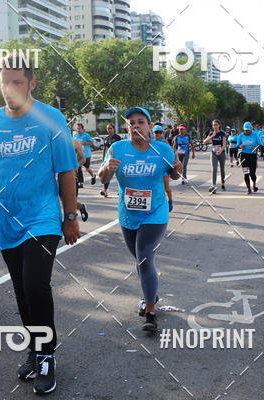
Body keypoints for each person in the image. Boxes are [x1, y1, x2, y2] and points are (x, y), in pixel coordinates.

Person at [0, 53, 79, 394]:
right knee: (20, 291)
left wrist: (70, 216)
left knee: (35, 285)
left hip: (43, 217)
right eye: (5, 81)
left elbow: (67, 170)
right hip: (8, 222)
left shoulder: (51, 118)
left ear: (31, 83)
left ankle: (46, 357)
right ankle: (35, 347)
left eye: (17, 82)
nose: (10, 88)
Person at [98, 106, 182, 332]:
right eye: (131, 122)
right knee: (141, 260)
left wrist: (177, 169)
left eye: (141, 121)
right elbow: (101, 177)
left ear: (149, 126)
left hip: (155, 212)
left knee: (144, 257)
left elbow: (174, 175)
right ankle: (151, 293)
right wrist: (107, 168)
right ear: (127, 128)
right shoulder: (118, 148)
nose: (136, 125)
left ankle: (151, 311)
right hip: (128, 215)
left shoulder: (162, 149)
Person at [237, 121, 263, 195]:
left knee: (252, 173)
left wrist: (256, 147)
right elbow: (237, 146)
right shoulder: (241, 136)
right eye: (245, 130)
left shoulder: (255, 135)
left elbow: (260, 144)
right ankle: (248, 188)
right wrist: (240, 146)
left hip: (252, 156)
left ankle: (254, 184)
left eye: (248, 130)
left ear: (251, 129)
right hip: (244, 156)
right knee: (246, 173)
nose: (247, 131)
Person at [152, 125, 174, 211]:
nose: (158, 134)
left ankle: (170, 201)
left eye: (160, 132)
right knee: (153, 187)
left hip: (164, 168)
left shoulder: (164, 142)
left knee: (166, 188)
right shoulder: (150, 142)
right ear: (153, 133)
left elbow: (171, 152)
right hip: (153, 168)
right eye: (156, 132)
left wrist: (171, 164)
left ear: (162, 133)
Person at [203, 119, 227, 193]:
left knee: (222, 169)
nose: (215, 126)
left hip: (221, 153)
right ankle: (213, 186)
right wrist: (212, 136)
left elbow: (224, 144)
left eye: (216, 125)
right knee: (214, 169)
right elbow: (204, 142)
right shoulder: (211, 133)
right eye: (213, 125)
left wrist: (221, 151)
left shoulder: (222, 133)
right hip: (214, 153)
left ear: (219, 125)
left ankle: (223, 183)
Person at [100, 123, 121, 197]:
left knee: (119, 174)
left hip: (117, 158)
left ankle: (120, 190)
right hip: (108, 159)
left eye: (110, 128)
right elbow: (104, 149)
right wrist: (103, 159)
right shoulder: (106, 138)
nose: (109, 130)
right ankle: (105, 191)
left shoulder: (117, 137)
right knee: (107, 175)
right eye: (108, 128)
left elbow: (120, 148)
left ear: (114, 129)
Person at [72, 139, 89, 221]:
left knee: (70, 204)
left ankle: (72, 223)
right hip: (59, 177)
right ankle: (81, 207)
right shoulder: (55, 142)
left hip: (72, 177)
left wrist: (76, 166)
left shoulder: (75, 143)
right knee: (65, 203)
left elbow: (83, 159)